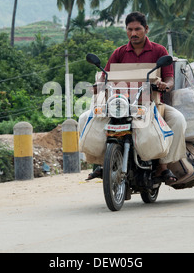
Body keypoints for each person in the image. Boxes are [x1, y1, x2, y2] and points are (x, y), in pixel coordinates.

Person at [79, 11, 187, 184]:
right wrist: (99, 85)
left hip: (151, 103)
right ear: (126, 30)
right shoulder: (120, 52)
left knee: (179, 120)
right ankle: (100, 163)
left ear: (146, 29)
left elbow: (169, 78)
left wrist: (165, 86)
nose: (134, 33)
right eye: (130, 29)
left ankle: (163, 167)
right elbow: (105, 75)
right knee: (85, 118)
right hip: (120, 103)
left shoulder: (159, 50)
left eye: (138, 29)